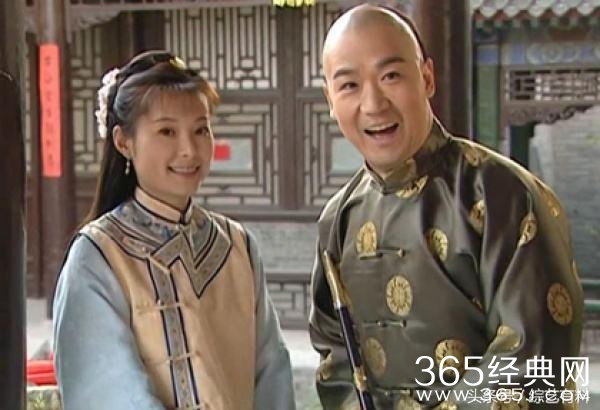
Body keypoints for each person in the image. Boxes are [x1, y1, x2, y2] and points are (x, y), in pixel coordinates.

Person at [309, 5, 583, 409]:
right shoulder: (338, 219)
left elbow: (535, 358)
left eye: (390, 76)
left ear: (427, 78)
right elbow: (334, 350)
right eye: (349, 85)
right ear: (330, 100)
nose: (373, 103)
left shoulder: (502, 195)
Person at [53, 50, 295, 410]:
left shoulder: (237, 247)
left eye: (200, 130)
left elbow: (272, 378)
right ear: (124, 142)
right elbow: (106, 392)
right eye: (167, 131)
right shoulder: (98, 256)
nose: (189, 150)